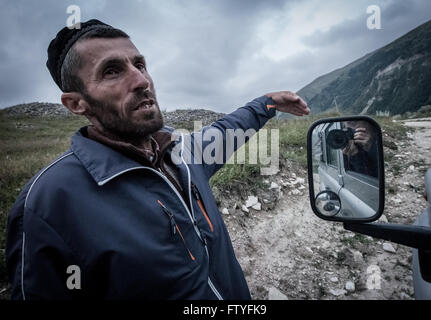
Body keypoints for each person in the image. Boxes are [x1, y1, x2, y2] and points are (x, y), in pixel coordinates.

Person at [5, 19, 309, 300]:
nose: (141, 80)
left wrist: (267, 104)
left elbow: (226, 131)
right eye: (112, 71)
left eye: (140, 64)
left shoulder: (181, 150)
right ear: (76, 103)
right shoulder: (48, 204)